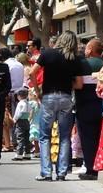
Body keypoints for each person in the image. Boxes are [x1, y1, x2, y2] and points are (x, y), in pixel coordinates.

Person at [33, 32, 84, 181]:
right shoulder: (75, 59)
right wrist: (68, 83)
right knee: (64, 136)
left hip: (48, 96)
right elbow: (79, 84)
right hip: (66, 98)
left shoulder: (48, 53)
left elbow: (32, 73)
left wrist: (38, 92)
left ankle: (46, 172)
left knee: (44, 136)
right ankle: (61, 172)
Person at [75, 38, 103, 179]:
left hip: (85, 105)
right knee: (100, 137)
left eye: (87, 47)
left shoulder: (82, 64)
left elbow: (78, 84)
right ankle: (102, 165)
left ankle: (91, 169)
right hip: (102, 105)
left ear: (91, 49)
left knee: (87, 139)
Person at [11, 88, 36, 160]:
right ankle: (27, 153)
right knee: (26, 138)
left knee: (20, 137)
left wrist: (14, 119)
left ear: (19, 96)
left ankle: (19, 154)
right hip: (26, 121)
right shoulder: (28, 103)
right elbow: (30, 111)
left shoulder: (20, 103)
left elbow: (18, 113)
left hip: (20, 121)